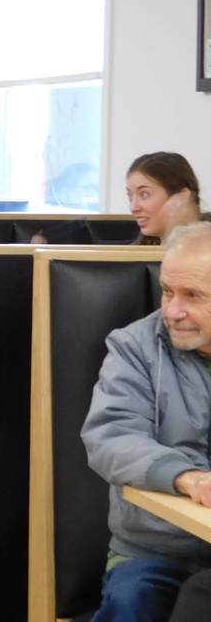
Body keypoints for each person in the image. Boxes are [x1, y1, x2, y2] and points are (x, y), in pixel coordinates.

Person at [81, 221, 211, 622]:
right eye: (168, 290)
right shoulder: (134, 347)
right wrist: (188, 478)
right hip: (154, 550)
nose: (172, 310)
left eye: (192, 295)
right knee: (133, 604)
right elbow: (111, 437)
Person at [126, 152, 204, 245]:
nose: (133, 208)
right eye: (130, 196)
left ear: (181, 197)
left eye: (144, 194)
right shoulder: (130, 251)